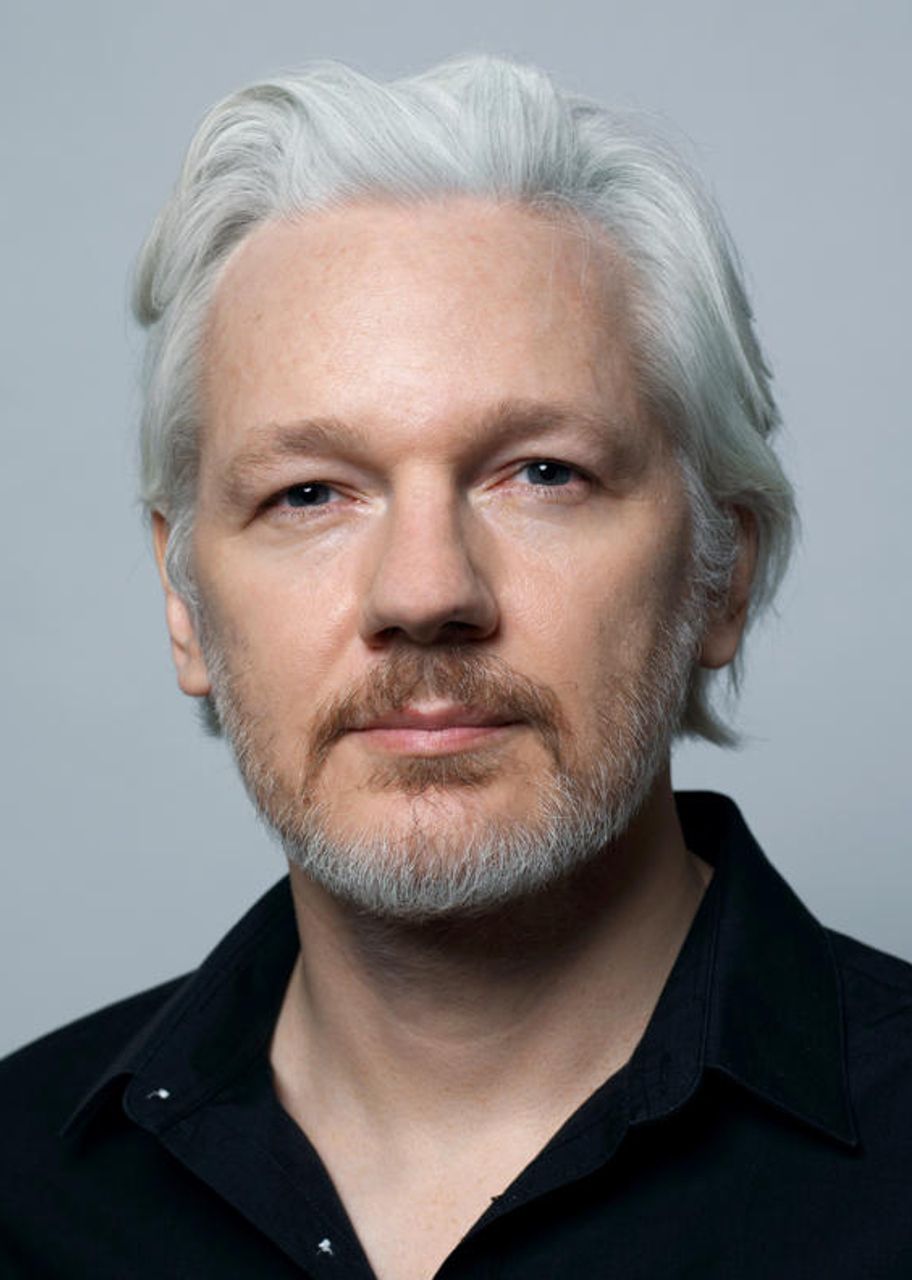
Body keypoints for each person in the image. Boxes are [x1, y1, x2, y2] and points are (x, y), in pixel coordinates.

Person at [2, 54, 910, 1280]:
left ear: (721, 574)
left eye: (542, 472)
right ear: (184, 601)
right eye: (309, 492)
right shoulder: (22, 1188)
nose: (424, 592)